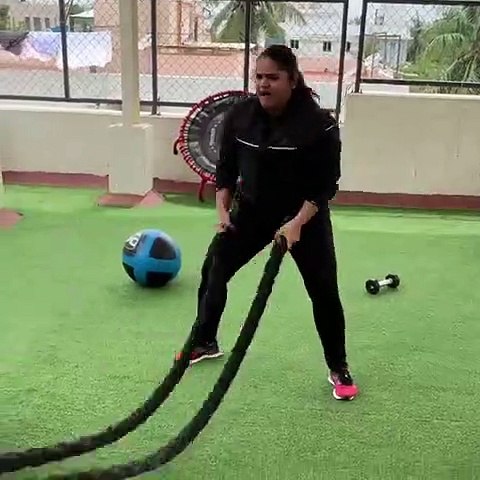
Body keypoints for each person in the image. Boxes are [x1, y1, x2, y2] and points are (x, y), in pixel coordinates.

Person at [176, 44, 359, 401]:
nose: (263, 84)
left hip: (305, 216)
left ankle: (338, 366)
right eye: (259, 77)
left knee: (323, 290)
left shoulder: (319, 125)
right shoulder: (241, 116)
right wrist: (223, 213)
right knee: (215, 267)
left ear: (292, 80)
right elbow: (226, 171)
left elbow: (325, 187)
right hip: (254, 212)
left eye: (272, 77)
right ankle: (204, 340)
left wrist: (296, 224)